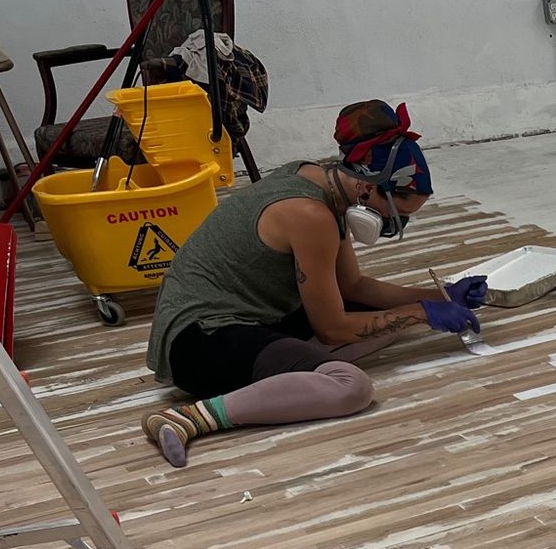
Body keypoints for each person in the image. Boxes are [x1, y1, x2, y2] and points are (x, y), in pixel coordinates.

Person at [140, 100, 485, 467]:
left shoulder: (318, 180)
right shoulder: (310, 215)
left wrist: (442, 295)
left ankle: (286, 374)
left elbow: (353, 287)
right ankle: (189, 418)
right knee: (351, 388)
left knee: (387, 318)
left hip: (243, 317)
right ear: (368, 189)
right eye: (394, 216)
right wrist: (421, 313)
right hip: (200, 342)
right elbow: (333, 327)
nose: (393, 227)